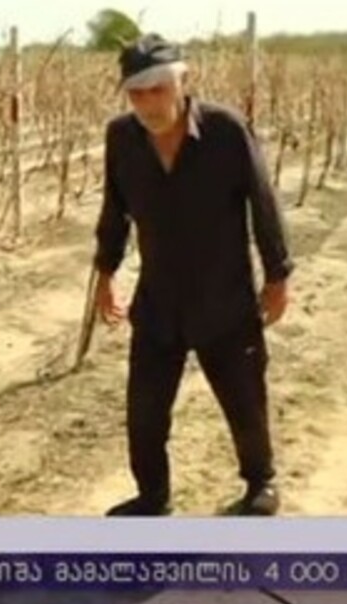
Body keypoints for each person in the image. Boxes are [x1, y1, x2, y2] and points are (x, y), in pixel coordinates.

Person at [93, 34, 295, 517]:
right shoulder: (122, 138)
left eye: (157, 90)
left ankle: (260, 482)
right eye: (136, 94)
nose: (147, 104)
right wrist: (106, 273)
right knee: (144, 413)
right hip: (159, 301)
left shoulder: (225, 131)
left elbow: (262, 202)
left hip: (223, 298)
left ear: (182, 82)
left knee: (244, 400)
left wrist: (277, 275)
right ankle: (152, 496)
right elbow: (114, 210)